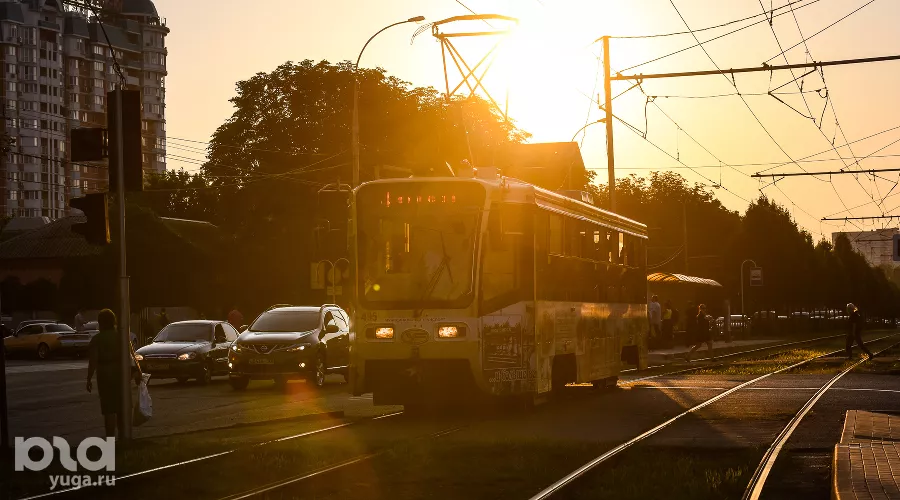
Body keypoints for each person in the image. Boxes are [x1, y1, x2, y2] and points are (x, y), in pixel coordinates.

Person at [86, 309, 143, 437]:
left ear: (100, 323)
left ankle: (110, 441)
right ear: (114, 322)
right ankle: (124, 438)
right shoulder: (122, 337)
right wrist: (138, 373)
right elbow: (132, 356)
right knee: (122, 408)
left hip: (105, 376)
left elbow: (93, 361)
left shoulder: (97, 339)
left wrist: (89, 378)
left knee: (109, 410)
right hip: (122, 376)